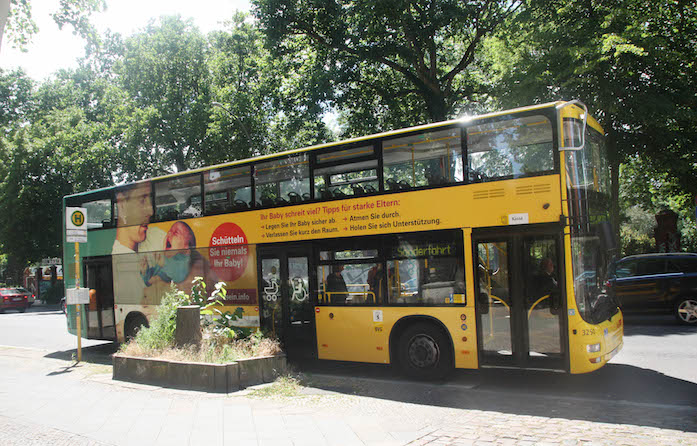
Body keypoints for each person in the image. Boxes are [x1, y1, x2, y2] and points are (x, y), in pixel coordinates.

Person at [140, 221, 196, 286]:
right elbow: (148, 280)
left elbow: (177, 275)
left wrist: (163, 263)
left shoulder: (184, 264)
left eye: (175, 233)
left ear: (186, 248)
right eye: (169, 231)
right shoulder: (165, 257)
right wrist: (145, 271)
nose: (169, 233)